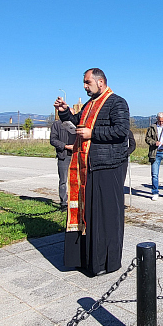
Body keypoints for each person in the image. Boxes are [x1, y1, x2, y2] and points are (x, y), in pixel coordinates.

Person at [54, 68, 129, 276]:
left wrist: (92, 133)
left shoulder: (117, 102)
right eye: (84, 83)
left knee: (106, 217)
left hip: (108, 166)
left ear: (101, 82)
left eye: (88, 83)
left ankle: (106, 262)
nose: (85, 87)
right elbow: (77, 119)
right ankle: (88, 259)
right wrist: (64, 111)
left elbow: (121, 131)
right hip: (89, 166)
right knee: (90, 215)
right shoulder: (89, 104)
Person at [145, 112, 163, 201]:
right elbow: (147, 138)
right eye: (159, 121)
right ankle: (155, 192)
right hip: (155, 152)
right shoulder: (152, 128)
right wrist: (154, 143)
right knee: (155, 174)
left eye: (162, 121)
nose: (161, 123)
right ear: (157, 119)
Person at [50, 117, 76, 207]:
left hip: (77, 156)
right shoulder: (57, 125)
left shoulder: (76, 123)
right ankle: (64, 203)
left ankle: (76, 202)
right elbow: (53, 140)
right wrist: (65, 146)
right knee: (63, 181)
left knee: (78, 180)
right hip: (64, 156)